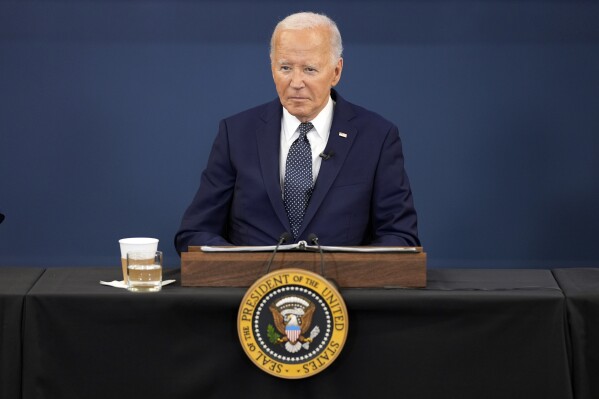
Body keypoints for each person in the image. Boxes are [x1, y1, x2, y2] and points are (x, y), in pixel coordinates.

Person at [175, 12, 419, 252]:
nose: (296, 82)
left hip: (339, 290)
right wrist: (241, 265)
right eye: (285, 68)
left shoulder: (377, 137)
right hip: (253, 288)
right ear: (272, 68)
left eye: (310, 69)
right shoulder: (236, 134)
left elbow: (400, 238)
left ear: (336, 71)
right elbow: (195, 233)